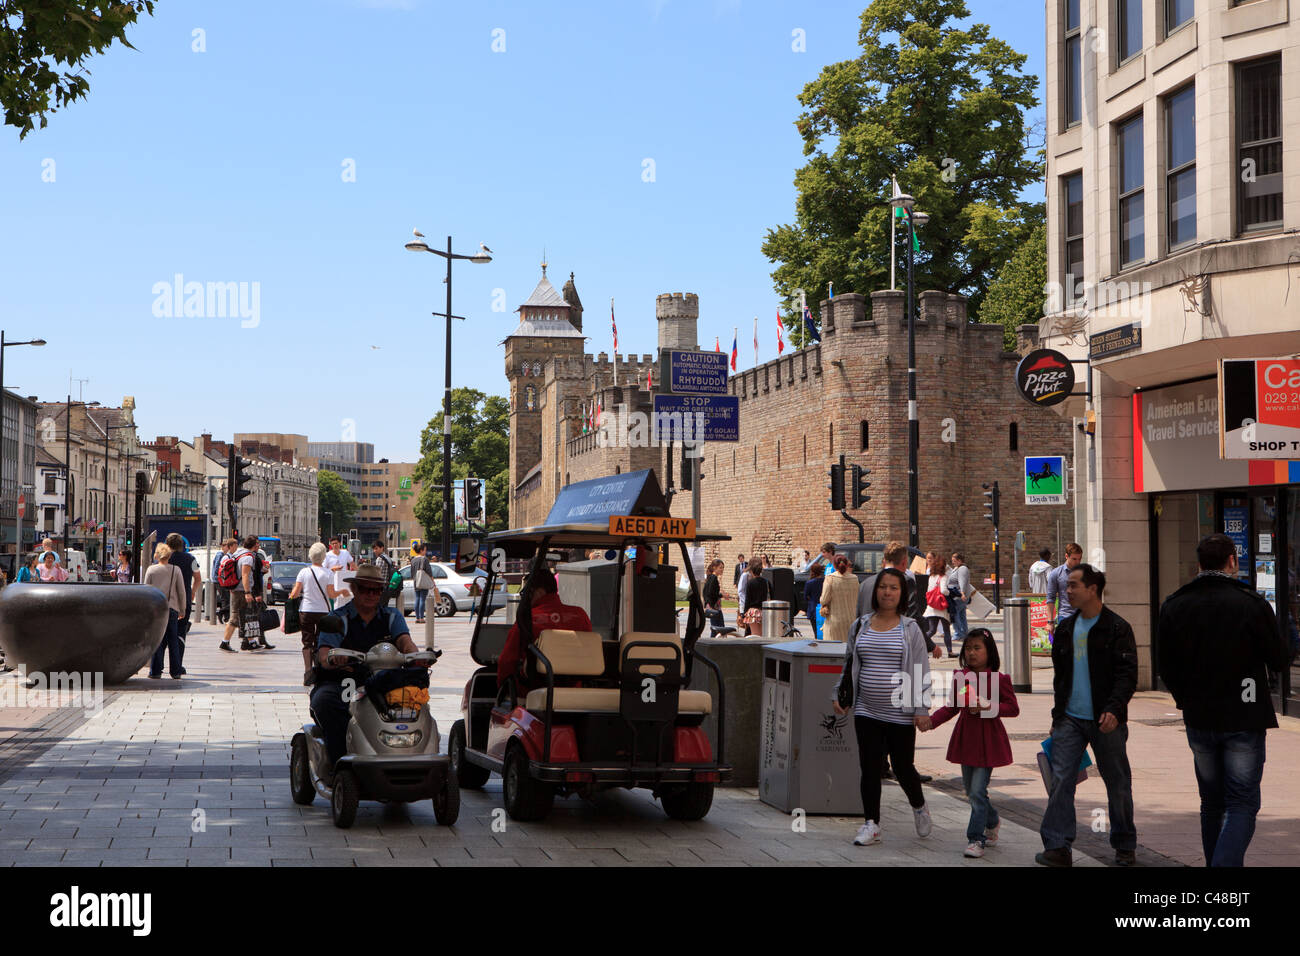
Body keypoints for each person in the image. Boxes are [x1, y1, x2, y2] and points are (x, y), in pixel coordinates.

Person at [1157, 533, 1289, 867]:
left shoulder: (1175, 604)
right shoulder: (1250, 603)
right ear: (1232, 561)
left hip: (1200, 715)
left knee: (1211, 803)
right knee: (1242, 803)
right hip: (1243, 715)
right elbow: (1278, 658)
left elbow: (1166, 664)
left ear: (1199, 564)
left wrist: (1184, 698)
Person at [1037, 563, 1138, 867]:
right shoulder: (1066, 630)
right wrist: (1057, 719)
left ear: (1093, 589)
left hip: (1106, 720)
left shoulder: (1118, 628)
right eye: (1067, 586)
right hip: (1070, 718)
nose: (1067, 591)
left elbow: (1127, 675)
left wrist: (1114, 709)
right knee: (1060, 779)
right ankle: (1057, 845)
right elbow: (1061, 679)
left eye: (1073, 586)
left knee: (1117, 782)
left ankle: (1124, 845)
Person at [833, 567, 933, 847]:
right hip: (867, 709)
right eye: (883, 587)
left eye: (893, 588)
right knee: (870, 767)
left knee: (903, 768)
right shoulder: (861, 624)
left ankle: (919, 805)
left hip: (900, 712)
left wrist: (921, 708)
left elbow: (919, 668)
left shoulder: (910, 628)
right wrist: (838, 693)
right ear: (875, 591)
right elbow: (849, 662)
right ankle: (871, 824)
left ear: (902, 595)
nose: (887, 592)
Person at [310, 564, 424, 770]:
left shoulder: (392, 616)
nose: (371, 595)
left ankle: (411, 756)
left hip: (384, 682)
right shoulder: (338, 618)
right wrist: (334, 659)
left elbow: (406, 642)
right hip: (345, 682)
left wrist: (415, 656)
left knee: (415, 703)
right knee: (327, 703)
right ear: (354, 589)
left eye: (376, 590)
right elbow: (324, 653)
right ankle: (340, 764)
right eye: (365, 589)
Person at [922, 628, 1018, 857]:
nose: (972, 653)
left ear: (989, 651)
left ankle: (976, 839)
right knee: (972, 791)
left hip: (989, 740)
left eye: (977, 648)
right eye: (968, 648)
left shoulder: (999, 679)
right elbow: (952, 706)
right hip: (966, 739)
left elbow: (1013, 708)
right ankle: (992, 820)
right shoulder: (961, 677)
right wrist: (931, 722)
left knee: (976, 791)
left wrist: (989, 707)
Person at [497, 563, 593, 692]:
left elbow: (507, 661)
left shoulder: (528, 618)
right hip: (575, 690)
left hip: (532, 691)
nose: (525, 598)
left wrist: (502, 688)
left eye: (527, 593)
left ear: (540, 592)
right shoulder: (579, 615)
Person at [290, 542, 342, 687]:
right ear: (324, 556)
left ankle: (308, 672)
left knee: (307, 642)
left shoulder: (304, 572)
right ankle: (319, 671)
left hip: (306, 610)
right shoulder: (328, 573)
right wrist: (342, 592)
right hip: (323, 612)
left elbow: (295, 594)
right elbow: (331, 594)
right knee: (321, 642)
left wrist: (292, 597)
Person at [143, 543, 185, 679]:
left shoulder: (151, 570)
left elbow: (146, 590)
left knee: (157, 639)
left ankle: (155, 671)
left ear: (157, 555)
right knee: (173, 640)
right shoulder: (175, 570)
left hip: (156, 609)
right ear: (169, 555)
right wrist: (182, 609)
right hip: (171, 608)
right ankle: (176, 671)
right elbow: (181, 592)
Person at [166, 534, 201, 676]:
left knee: (163, 634)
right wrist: (192, 592)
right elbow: (198, 579)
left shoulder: (164, 558)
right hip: (183, 599)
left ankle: (157, 666)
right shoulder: (191, 559)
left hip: (166, 600)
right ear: (182, 544)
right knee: (180, 634)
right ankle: (177, 665)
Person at [818, 553, 859, 644]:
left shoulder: (830, 578)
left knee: (833, 651)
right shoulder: (854, 578)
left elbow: (823, 599)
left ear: (834, 565)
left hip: (834, 622)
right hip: (851, 620)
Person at [1045, 543, 1083, 635]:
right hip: (1065, 616)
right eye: (1074, 559)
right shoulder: (1056, 574)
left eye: (1079, 559)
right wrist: (1050, 622)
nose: (1077, 562)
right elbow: (1050, 598)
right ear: (1066, 556)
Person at [922, 552, 955, 657]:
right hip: (941, 607)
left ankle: (920, 647)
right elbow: (944, 590)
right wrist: (950, 593)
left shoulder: (931, 576)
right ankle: (950, 652)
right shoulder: (943, 577)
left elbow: (928, 590)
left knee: (931, 630)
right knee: (946, 630)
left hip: (932, 606)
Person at [947, 552, 972, 647]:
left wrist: (962, 593)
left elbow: (963, 582)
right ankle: (964, 633)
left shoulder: (962, 569)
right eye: (952, 561)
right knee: (961, 614)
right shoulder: (958, 568)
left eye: (954, 561)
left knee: (954, 614)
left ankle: (958, 634)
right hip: (958, 596)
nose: (953, 562)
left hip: (959, 596)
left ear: (960, 560)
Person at [739, 556, 769, 635]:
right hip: (762, 610)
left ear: (751, 570)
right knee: (761, 634)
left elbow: (747, 600)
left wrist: (743, 613)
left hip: (753, 611)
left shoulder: (750, 583)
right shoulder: (765, 582)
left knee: (754, 634)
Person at [408, 542, 434, 623]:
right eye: (425, 550)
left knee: (417, 598)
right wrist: (432, 580)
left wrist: (414, 578)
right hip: (423, 581)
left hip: (416, 581)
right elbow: (429, 571)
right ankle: (422, 618)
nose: (425, 552)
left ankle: (417, 617)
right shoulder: (424, 559)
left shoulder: (413, 560)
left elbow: (412, 572)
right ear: (421, 550)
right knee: (422, 599)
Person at [701, 559, 726, 632]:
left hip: (714, 606)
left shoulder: (711, 577)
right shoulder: (713, 578)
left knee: (717, 628)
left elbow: (706, 592)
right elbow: (710, 593)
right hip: (714, 607)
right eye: (720, 567)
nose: (722, 570)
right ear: (714, 567)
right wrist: (721, 595)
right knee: (719, 628)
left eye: (723, 568)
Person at [370, 540, 396, 607]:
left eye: (376, 548)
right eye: (373, 549)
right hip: (387, 587)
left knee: (378, 610)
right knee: (383, 609)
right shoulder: (387, 557)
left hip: (381, 588)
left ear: (382, 548)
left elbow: (377, 574)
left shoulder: (380, 559)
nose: (374, 551)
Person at [804, 562, 826, 640]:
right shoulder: (825, 581)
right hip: (824, 608)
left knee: (815, 632)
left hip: (813, 609)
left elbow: (805, 596)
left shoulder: (809, 583)